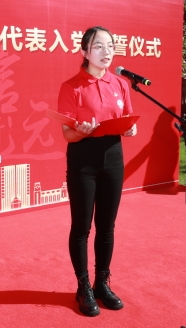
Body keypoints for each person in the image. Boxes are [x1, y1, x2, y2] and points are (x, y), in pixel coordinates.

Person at [56, 26, 137, 317]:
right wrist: (81, 130)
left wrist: (130, 129)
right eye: (99, 46)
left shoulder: (121, 84)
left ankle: (102, 283)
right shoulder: (71, 87)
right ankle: (83, 287)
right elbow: (67, 134)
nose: (106, 52)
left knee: (107, 225)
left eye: (110, 46)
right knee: (82, 227)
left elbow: (126, 119)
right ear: (85, 52)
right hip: (83, 162)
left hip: (113, 158)